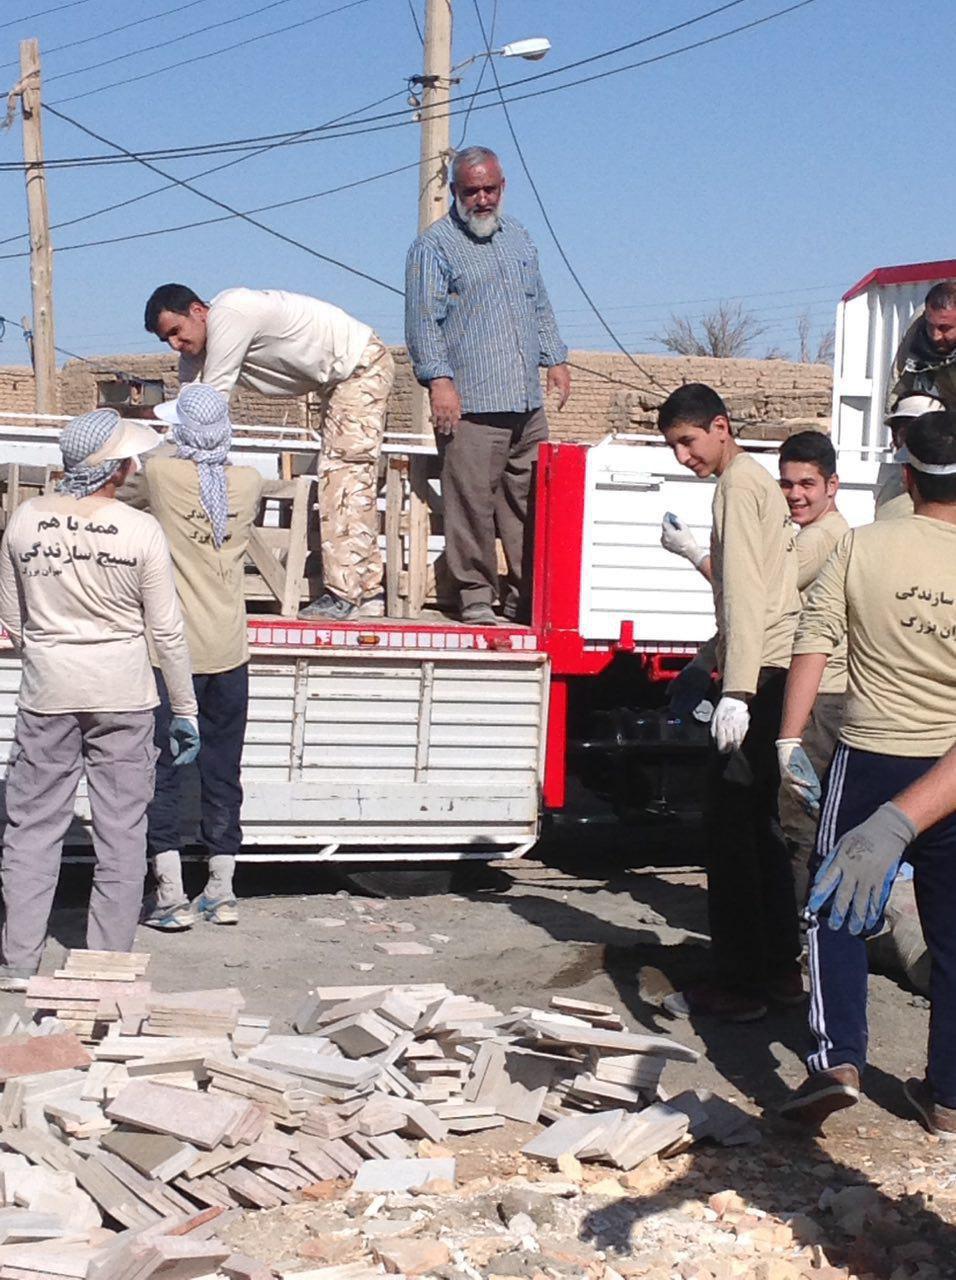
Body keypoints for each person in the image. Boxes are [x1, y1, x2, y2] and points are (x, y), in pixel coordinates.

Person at [776, 410, 956, 1139]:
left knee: (832, 906)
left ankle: (837, 1061)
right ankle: (947, 1098)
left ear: (905, 474)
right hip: (949, 769)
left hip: (872, 755)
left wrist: (789, 740)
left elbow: (813, 638)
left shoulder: (861, 546)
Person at [0, 410, 198, 991]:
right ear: (115, 468)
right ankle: (107, 964)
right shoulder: (139, 531)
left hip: (48, 690)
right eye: (129, 458)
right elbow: (166, 633)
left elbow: (13, 619)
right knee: (121, 829)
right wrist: (184, 709)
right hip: (123, 694)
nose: (136, 464)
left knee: (31, 828)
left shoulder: (25, 522)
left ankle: (17, 961)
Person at [656, 384, 801, 1022]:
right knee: (760, 832)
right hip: (766, 668)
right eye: (674, 446)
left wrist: (736, 690)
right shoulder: (750, 483)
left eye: (688, 441)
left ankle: (742, 984)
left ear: (721, 426)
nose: (684, 456)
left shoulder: (738, 486)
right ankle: (778, 971)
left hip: (758, 675)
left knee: (735, 837)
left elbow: (745, 590)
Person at [143, 283, 394, 622]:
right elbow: (188, 415)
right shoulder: (194, 352)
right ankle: (367, 592)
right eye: (166, 340)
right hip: (337, 379)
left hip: (360, 365)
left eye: (176, 332)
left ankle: (346, 595)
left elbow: (212, 403)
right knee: (347, 476)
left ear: (198, 311)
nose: (175, 344)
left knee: (344, 473)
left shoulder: (231, 313)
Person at [404, 146, 571, 626]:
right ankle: (476, 594)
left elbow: (539, 303)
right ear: (454, 191)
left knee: (529, 505)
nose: (481, 199)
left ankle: (525, 594)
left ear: (503, 187)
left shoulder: (519, 238)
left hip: (524, 402)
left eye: (489, 189)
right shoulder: (433, 248)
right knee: (472, 503)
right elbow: (422, 323)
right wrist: (439, 381)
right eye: (471, 190)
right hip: (472, 402)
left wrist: (555, 358)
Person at [126, 385, 263, 931]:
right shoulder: (248, 481)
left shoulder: (163, 475)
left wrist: (167, 440)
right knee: (223, 771)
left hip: (170, 654)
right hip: (230, 649)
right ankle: (222, 891)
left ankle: (169, 896)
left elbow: (131, 481)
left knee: (163, 773)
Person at [774, 431, 849, 904]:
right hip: (825, 692)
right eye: (787, 484)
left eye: (807, 484)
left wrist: (696, 553)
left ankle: (800, 926)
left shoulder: (822, 538)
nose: (796, 495)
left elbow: (759, 590)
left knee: (798, 813)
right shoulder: (820, 533)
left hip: (820, 697)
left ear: (832, 486)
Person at [889, 280, 956, 412]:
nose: (936, 336)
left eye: (944, 328)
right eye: (931, 326)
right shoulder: (918, 323)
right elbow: (899, 380)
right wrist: (896, 424)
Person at [875, 393, 943, 521]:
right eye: (905, 435)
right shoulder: (892, 487)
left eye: (923, 435)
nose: (912, 443)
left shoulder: (947, 492)